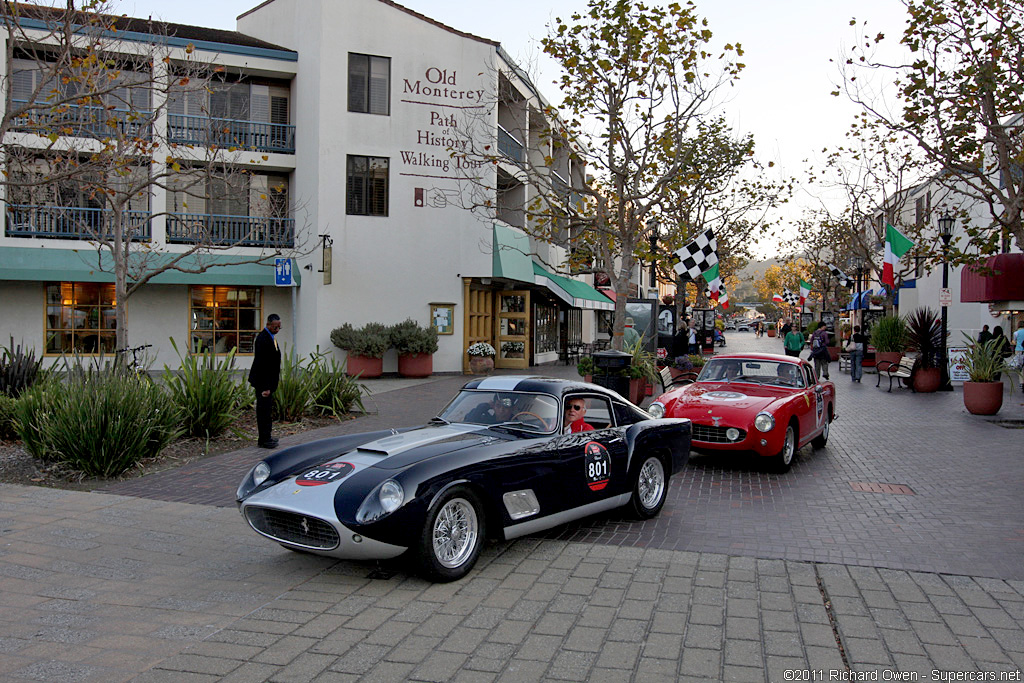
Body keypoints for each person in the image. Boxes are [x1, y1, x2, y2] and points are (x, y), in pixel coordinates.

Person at [249, 313, 282, 448]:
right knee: (263, 411)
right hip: (263, 383)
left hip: (269, 382)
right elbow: (262, 365)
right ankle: (263, 439)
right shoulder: (262, 339)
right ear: (268, 324)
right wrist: (266, 386)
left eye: (279, 327)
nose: (277, 330)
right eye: (275, 327)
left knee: (267, 411)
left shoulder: (271, 337)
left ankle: (267, 436)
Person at [1013, 321, 1024, 391]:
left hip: (1018, 349)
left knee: (1020, 367)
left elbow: (1014, 341)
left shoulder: (1016, 333)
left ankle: (1021, 382)